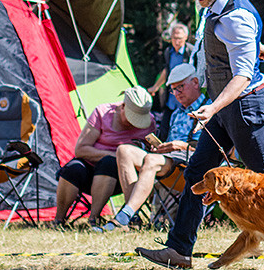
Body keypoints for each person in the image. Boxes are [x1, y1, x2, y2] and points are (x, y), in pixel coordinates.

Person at [137, 0, 264, 269]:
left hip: (245, 106)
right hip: (224, 108)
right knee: (197, 173)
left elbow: (243, 76)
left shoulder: (235, 16)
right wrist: (256, 48)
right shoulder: (217, 7)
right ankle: (179, 251)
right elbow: (239, 48)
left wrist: (212, 108)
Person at [107, 64, 210, 231]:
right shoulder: (176, 113)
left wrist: (181, 146)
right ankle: (132, 216)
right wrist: (161, 147)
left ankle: (124, 216)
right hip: (170, 162)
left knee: (151, 160)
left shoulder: (209, 107)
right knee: (124, 151)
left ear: (196, 82)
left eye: (180, 87)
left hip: (193, 166)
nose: (177, 93)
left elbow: (213, 148)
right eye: (173, 90)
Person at [53, 86, 156, 227]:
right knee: (72, 169)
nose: (134, 123)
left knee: (109, 163)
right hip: (89, 170)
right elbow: (81, 149)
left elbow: (150, 154)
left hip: (124, 178)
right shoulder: (102, 113)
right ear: (123, 106)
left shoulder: (150, 123)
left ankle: (93, 219)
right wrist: (115, 154)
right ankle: (58, 220)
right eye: (132, 118)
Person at [148, 23, 193, 123]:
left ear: (186, 37)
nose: (176, 41)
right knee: (165, 130)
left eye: (179, 38)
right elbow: (167, 70)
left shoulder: (191, 52)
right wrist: (156, 86)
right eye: (174, 38)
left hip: (186, 99)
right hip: (171, 99)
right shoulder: (168, 51)